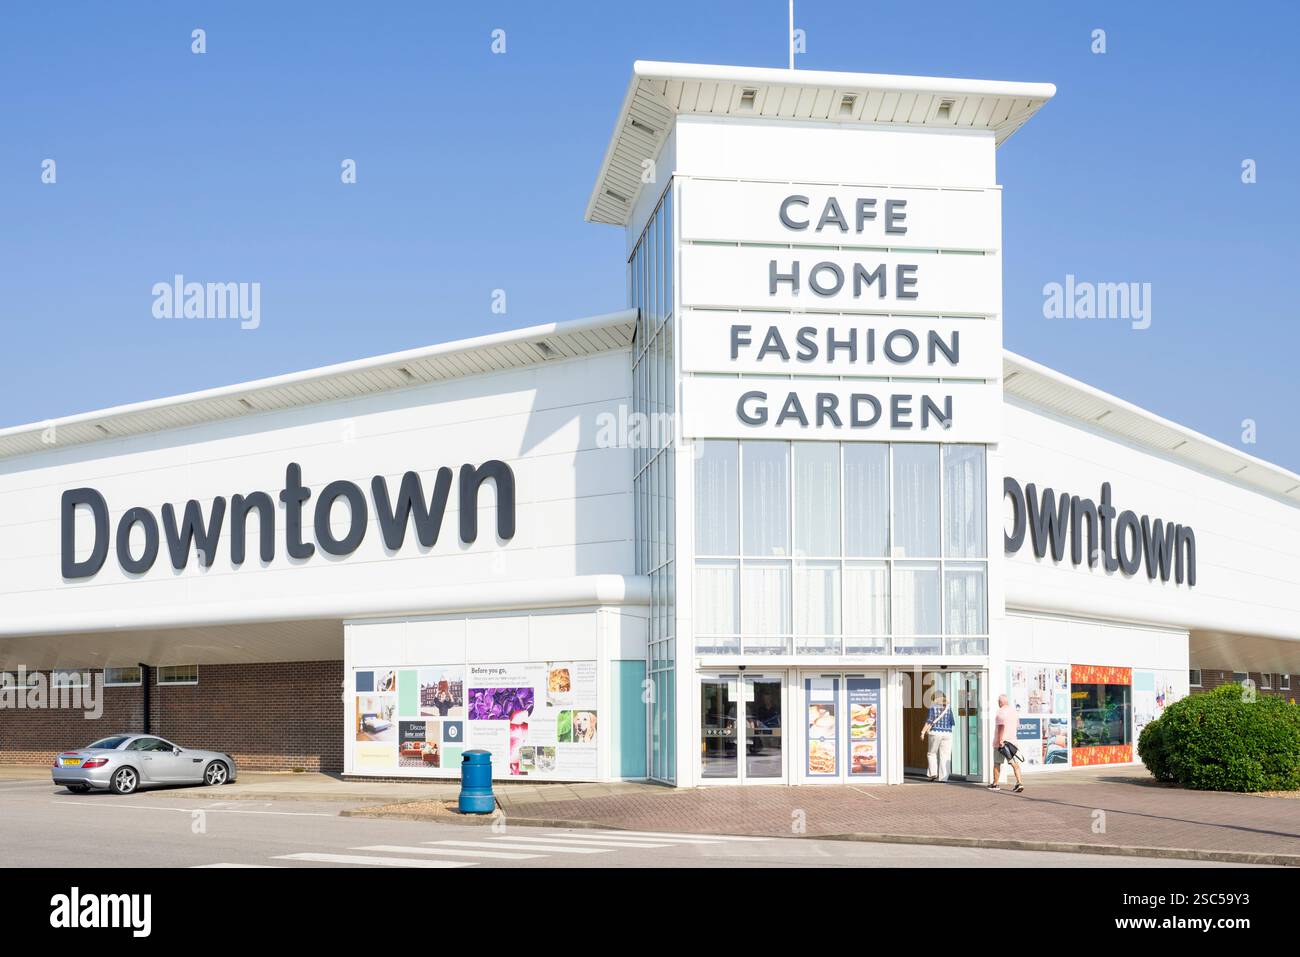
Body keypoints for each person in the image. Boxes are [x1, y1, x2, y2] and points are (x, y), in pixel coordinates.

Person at [990, 693, 1025, 793]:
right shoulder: (1014, 712)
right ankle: (1019, 782)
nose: (998, 703)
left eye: (998, 701)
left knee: (997, 763)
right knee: (1014, 763)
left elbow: (1001, 726)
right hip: (1012, 743)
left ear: (1000, 702)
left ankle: (995, 784)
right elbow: (1017, 726)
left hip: (1001, 743)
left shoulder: (1000, 711)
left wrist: (1000, 740)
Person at [920, 691, 954, 781]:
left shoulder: (933, 707)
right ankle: (944, 778)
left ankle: (933, 773)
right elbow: (952, 721)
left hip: (935, 732)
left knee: (932, 753)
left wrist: (923, 732)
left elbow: (930, 720)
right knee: (945, 755)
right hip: (948, 734)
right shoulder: (948, 707)